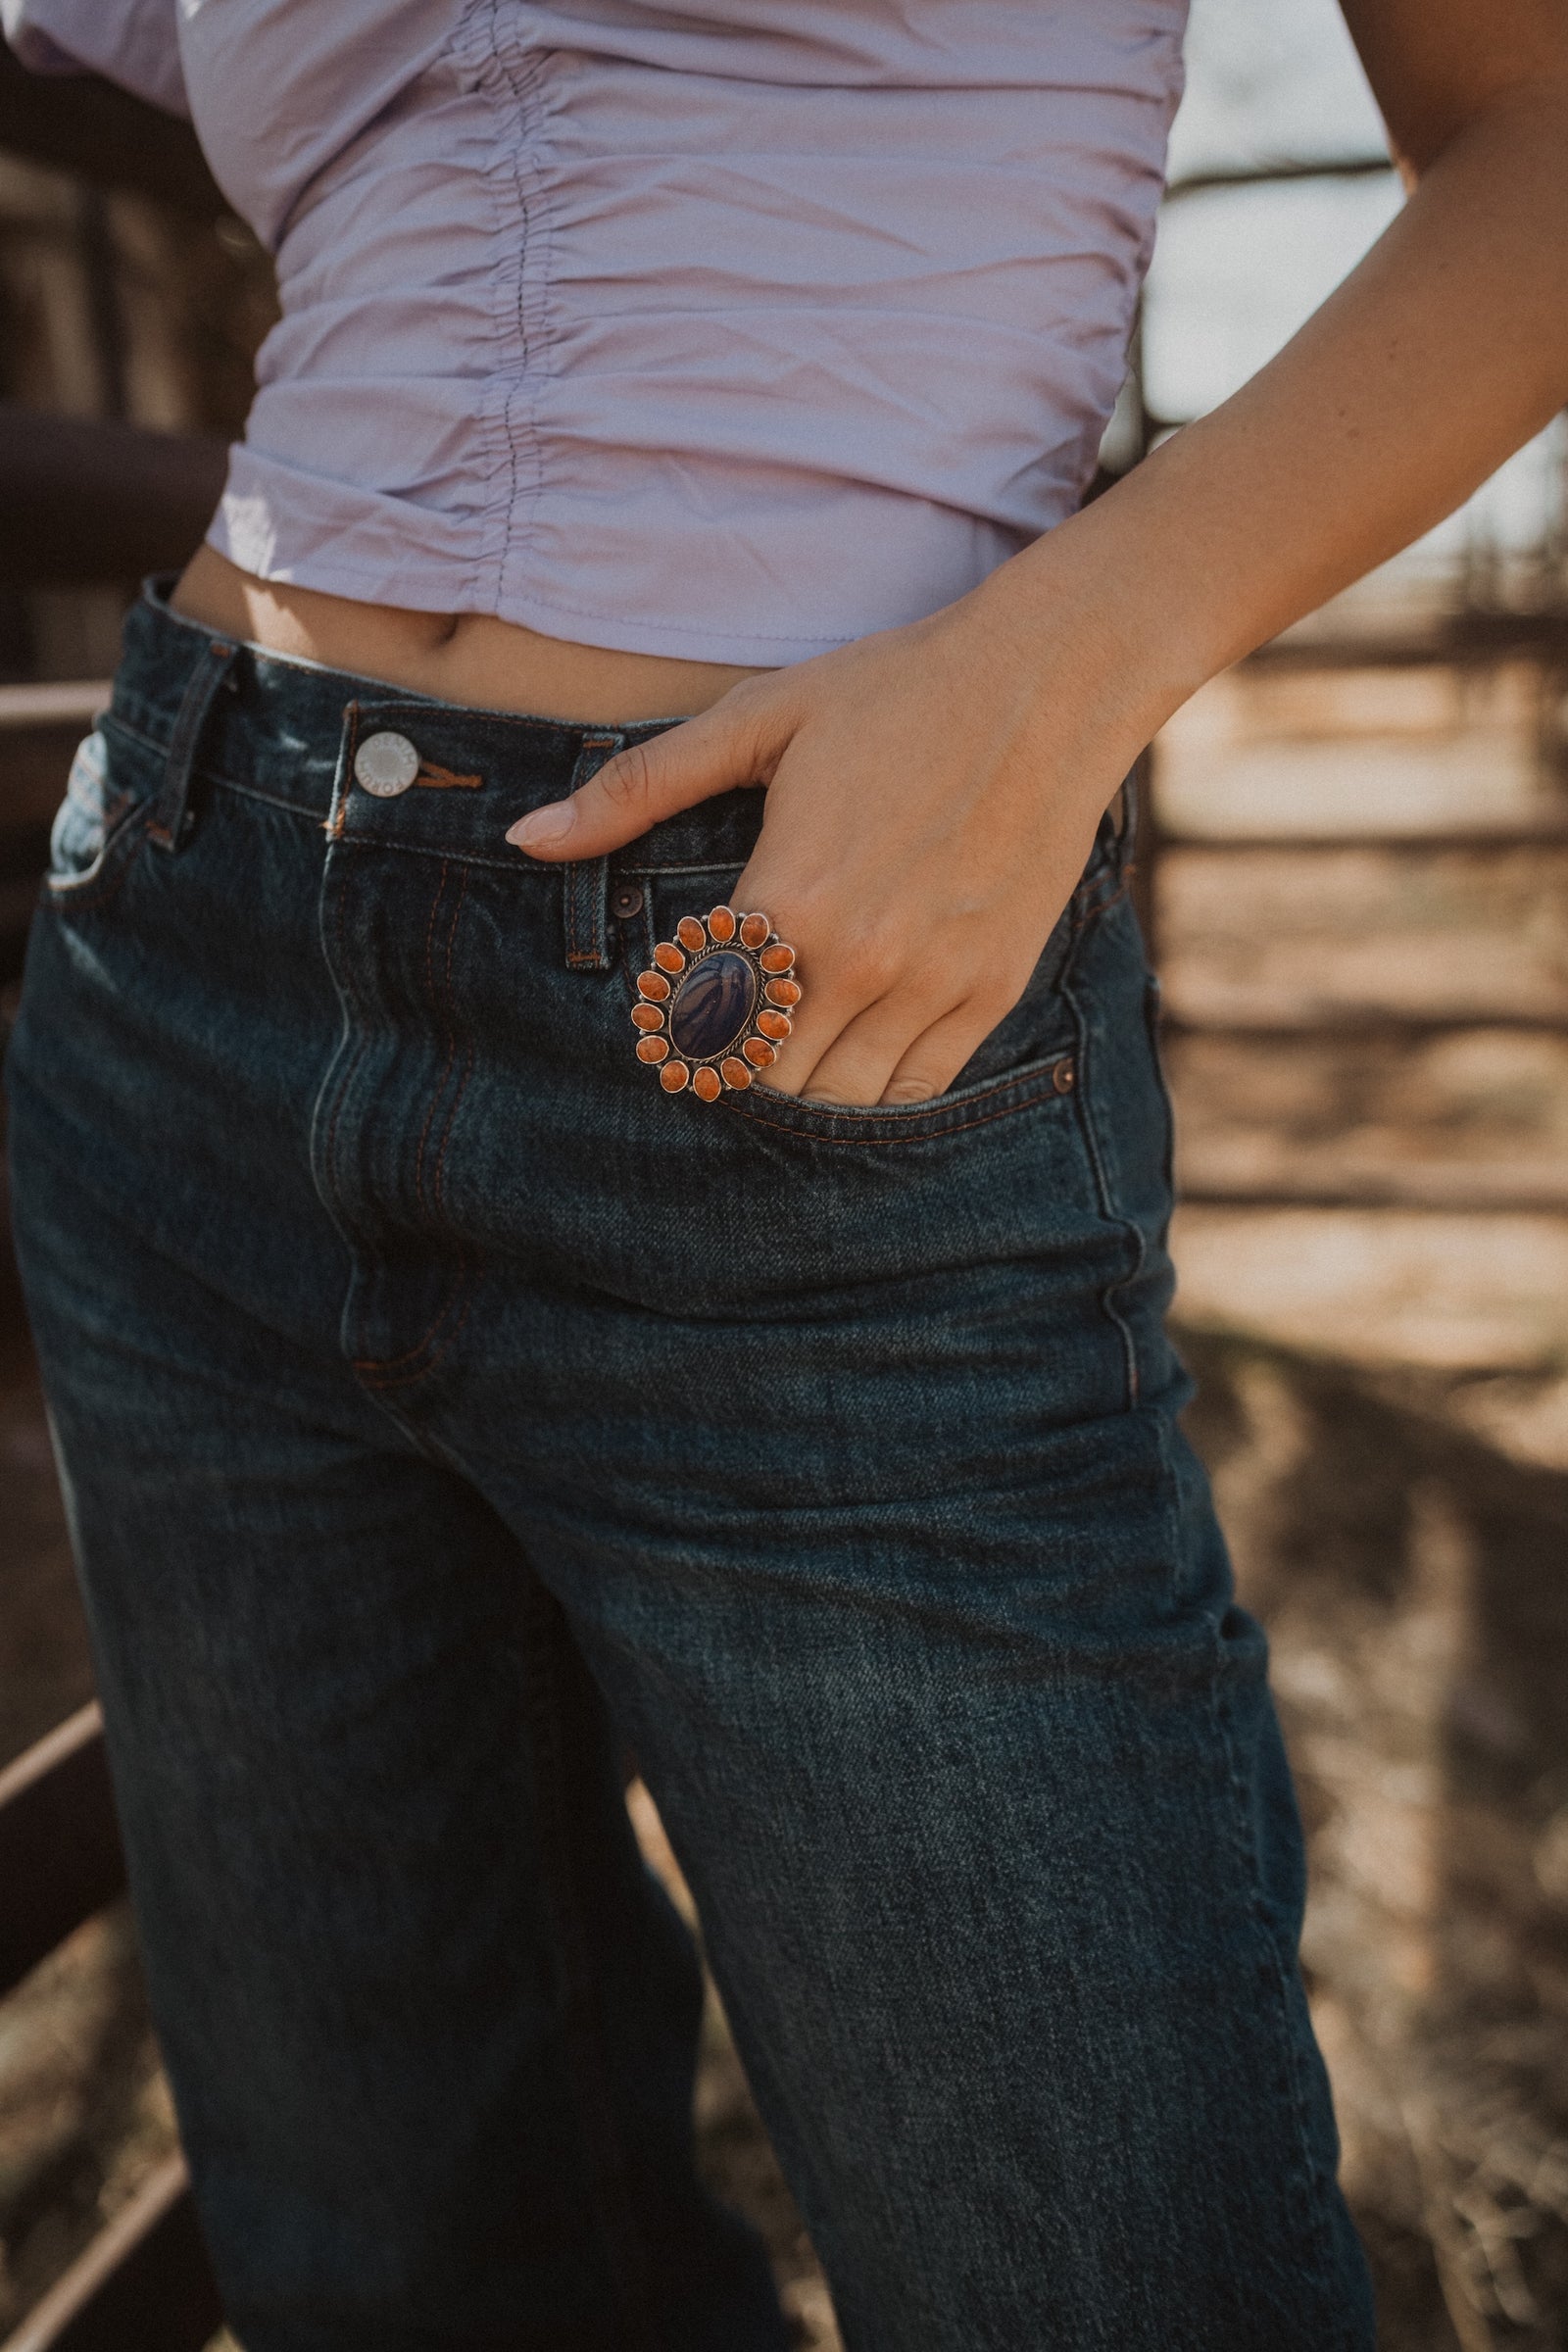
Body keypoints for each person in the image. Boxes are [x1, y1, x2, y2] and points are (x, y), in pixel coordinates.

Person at [4, 1, 1566, 2345]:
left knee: (1102, 2283)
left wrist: (1068, 664)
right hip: (188, 958)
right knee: (400, 2270)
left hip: (807, 1013)